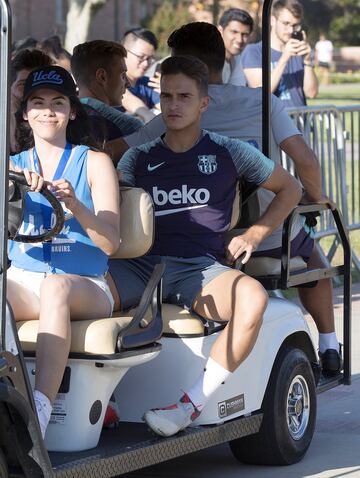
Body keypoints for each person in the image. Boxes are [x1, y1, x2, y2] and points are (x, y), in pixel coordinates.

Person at [112, 22, 342, 376]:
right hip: (257, 234)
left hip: (200, 238)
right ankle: (329, 346)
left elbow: (118, 151)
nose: (174, 96)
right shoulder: (263, 101)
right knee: (314, 257)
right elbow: (306, 161)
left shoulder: (172, 116)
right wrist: (316, 197)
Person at [109, 54, 301, 437]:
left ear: (203, 103)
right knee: (73, 293)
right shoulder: (137, 158)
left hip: (199, 268)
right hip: (139, 265)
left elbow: (290, 188)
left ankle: (190, 404)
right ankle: (100, 402)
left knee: (254, 299)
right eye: (166, 96)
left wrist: (254, 233)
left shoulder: (229, 151)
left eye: (184, 96)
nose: (173, 105)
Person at [8, 65, 120, 438]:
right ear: (25, 113)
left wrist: (76, 205)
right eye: (37, 103)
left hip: (85, 282)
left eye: (58, 103)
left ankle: (39, 411)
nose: (47, 111)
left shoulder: (94, 162)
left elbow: (109, 242)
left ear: (72, 111)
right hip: (25, 278)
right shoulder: (12, 166)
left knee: (56, 289)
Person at [242, 0, 318, 107]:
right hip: (272, 123)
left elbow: (312, 93)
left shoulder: (298, 52)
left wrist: (307, 61)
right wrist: (284, 58)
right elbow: (260, 93)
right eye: (286, 23)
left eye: (295, 25)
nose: (290, 30)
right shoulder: (254, 51)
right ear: (273, 20)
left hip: (299, 122)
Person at [71, 40, 142, 145]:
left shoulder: (65, 119)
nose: (128, 84)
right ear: (102, 77)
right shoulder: (125, 128)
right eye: (122, 75)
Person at [10, 48, 54, 154]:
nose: (32, 91)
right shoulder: (4, 123)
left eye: (39, 86)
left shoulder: (53, 121)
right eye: (24, 84)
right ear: (9, 85)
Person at [121, 28, 161, 122]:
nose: (146, 64)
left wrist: (169, 93)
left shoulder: (148, 84)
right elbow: (124, 96)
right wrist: (147, 115)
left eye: (150, 58)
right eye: (141, 57)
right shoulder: (109, 80)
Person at [218, 8, 254, 86]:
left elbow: (238, 92)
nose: (239, 40)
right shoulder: (209, 59)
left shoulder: (236, 59)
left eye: (245, 34)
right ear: (220, 31)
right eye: (234, 32)